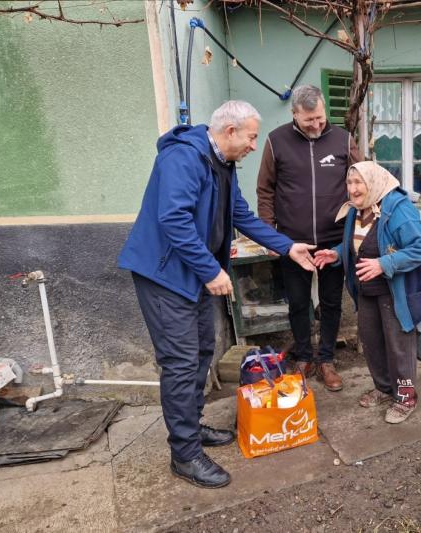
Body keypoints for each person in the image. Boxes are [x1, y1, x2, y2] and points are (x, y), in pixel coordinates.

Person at [118, 101, 315, 489]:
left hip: (190, 275)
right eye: (252, 136)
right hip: (165, 276)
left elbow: (240, 214)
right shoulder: (183, 159)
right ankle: (185, 455)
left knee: (202, 352)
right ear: (230, 132)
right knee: (180, 362)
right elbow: (172, 218)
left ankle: (191, 429)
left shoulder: (221, 165)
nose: (254, 146)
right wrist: (211, 270)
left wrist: (287, 246)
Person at [314, 162, 421, 424]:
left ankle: (406, 397)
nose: (353, 189)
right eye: (349, 183)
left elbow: (419, 249)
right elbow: (358, 243)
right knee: (371, 342)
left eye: (359, 182)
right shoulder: (356, 211)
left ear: (374, 181)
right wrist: (336, 253)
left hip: (396, 292)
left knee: (399, 347)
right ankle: (384, 388)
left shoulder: (398, 210)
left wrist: (384, 264)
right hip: (366, 290)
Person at [256, 85, 360, 391]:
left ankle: (326, 359)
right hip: (292, 241)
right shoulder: (276, 141)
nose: (316, 125)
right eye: (308, 120)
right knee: (298, 303)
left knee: (330, 302)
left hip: (334, 240)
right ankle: (303, 356)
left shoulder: (343, 139)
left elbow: (361, 182)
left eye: (319, 118)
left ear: (324, 109)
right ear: (294, 115)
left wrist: (357, 227)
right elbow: (265, 190)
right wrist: (270, 235)